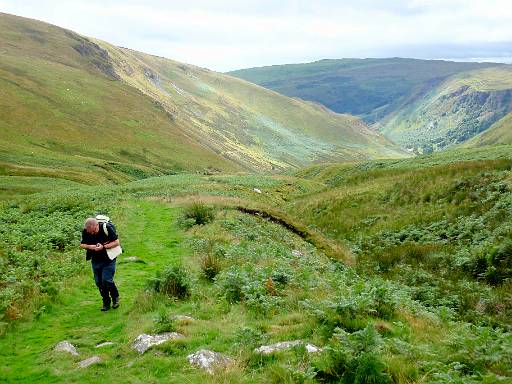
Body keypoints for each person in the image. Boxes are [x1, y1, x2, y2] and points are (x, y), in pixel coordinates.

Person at [80, 217, 120, 311]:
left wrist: (103, 247)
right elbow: (82, 244)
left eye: (94, 231)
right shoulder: (86, 231)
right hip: (95, 260)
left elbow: (116, 242)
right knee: (99, 282)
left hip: (109, 258)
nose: (92, 233)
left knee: (106, 280)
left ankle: (115, 299)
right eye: (90, 232)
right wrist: (91, 246)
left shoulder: (106, 228)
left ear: (97, 225)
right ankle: (106, 302)